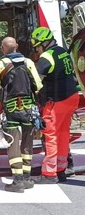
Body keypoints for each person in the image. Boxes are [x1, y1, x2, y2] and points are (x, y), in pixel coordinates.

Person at [0, 37, 43, 193]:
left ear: (2, 49)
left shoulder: (0, 65)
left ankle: (17, 180)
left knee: (13, 141)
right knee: (27, 141)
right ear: (17, 47)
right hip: (29, 107)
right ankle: (26, 177)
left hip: (11, 108)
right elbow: (38, 85)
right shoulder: (28, 62)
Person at [31, 27, 79, 184]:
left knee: (50, 135)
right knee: (64, 133)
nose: (37, 50)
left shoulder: (47, 56)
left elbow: (36, 79)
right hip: (71, 97)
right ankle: (61, 169)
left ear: (44, 43)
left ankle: (49, 173)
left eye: (37, 46)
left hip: (56, 100)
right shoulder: (62, 51)